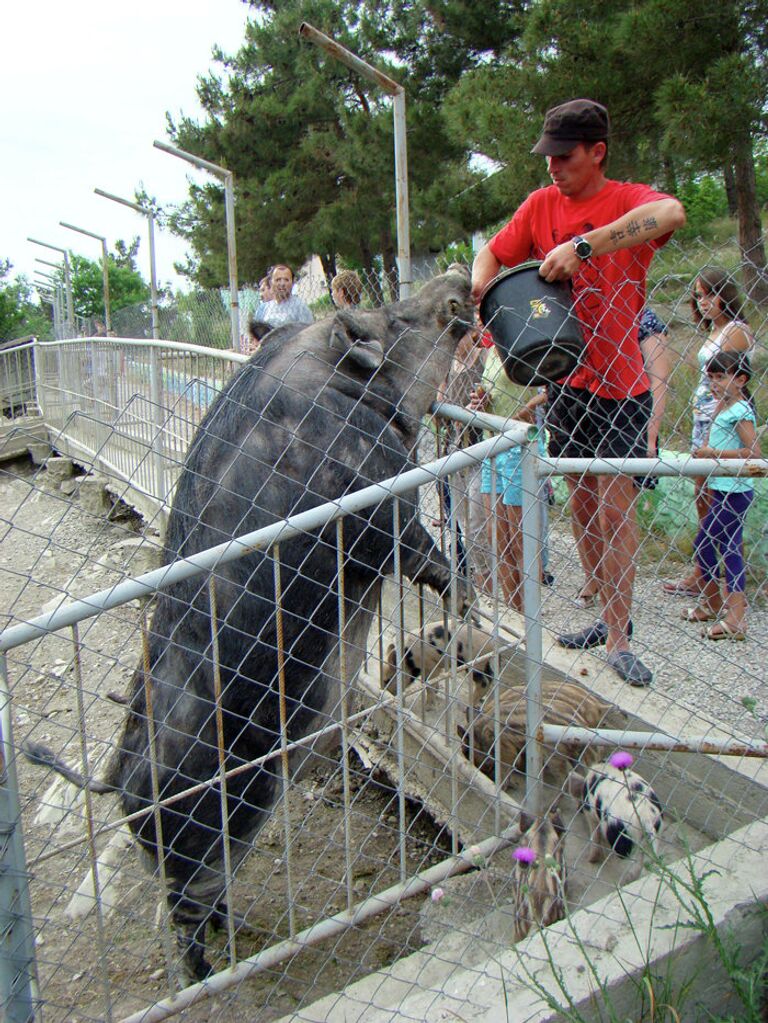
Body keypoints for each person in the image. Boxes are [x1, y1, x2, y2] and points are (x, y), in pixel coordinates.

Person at [471, 98, 686, 687]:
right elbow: (493, 251)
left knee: (616, 509)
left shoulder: (624, 200)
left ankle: (620, 635)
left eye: (564, 156)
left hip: (621, 385)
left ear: (597, 153)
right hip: (564, 380)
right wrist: (483, 285)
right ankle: (603, 614)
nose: (551, 168)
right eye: (547, 156)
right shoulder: (541, 205)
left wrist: (585, 247)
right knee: (585, 506)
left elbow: (671, 212)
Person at [662, 269, 754, 597]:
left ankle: (726, 581)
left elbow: (727, 379)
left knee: (719, 500)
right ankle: (705, 573)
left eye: (709, 294)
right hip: (702, 417)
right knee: (702, 496)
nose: (703, 303)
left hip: (721, 419)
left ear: (725, 294)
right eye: (698, 296)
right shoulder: (713, 330)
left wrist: (711, 429)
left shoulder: (735, 330)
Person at [575, 307, 670, 608]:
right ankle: (594, 577)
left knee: (615, 512)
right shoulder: (582, 307)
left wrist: (650, 436)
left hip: (628, 419)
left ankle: (616, 597)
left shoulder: (645, 320)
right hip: (584, 411)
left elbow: (659, 378)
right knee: (583, 504)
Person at [681, 351, 758, 640]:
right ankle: (716, 605)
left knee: (705, 543)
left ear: (740, 380)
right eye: (711, 377)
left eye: (721, 377)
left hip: (735, 492)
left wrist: (713, 454)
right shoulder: (722, 407)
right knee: (727, 547)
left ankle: (733, 613)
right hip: (720, 488)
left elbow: (754, 453)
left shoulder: (741, 411)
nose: (715, 383)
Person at [467, 344, 547, 611]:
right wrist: (483, 403)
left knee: (521, 538)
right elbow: (492, 394)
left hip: (521, 445)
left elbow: (548, 392)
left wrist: (516, 417)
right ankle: (515, 611)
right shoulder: (490, 352)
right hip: (495, 445)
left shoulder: (528, 344)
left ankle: (531, 616)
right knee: (498, 537)